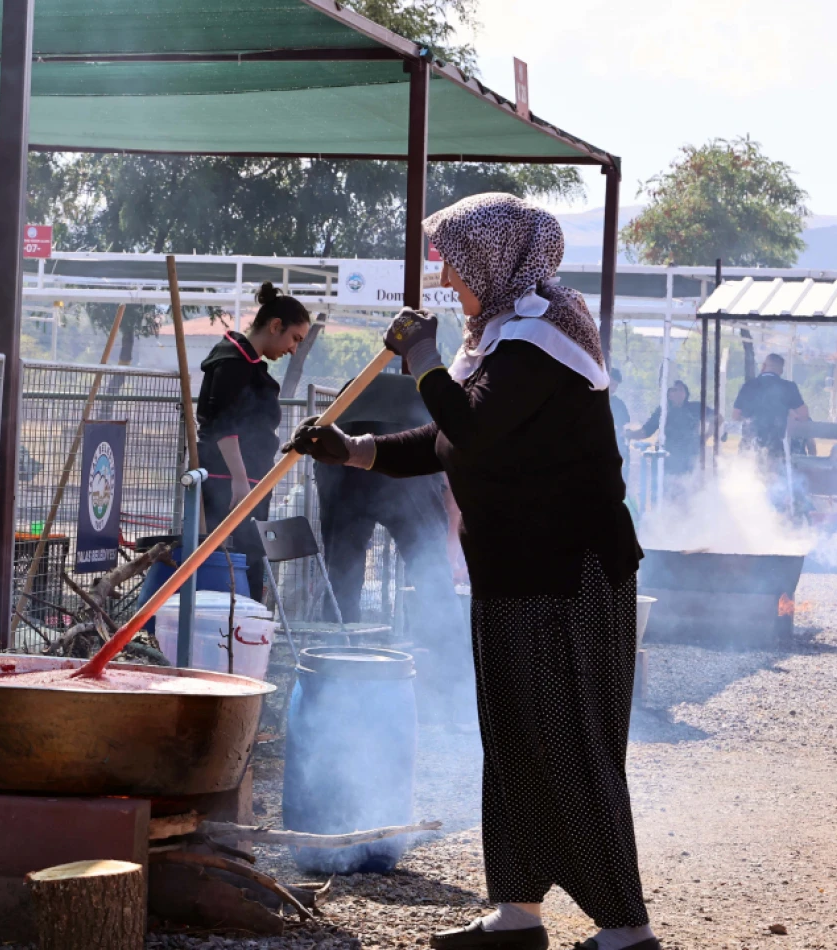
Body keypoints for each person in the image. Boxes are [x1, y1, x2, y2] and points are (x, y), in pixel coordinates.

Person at [289, 194, 655, 950]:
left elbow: (473, 428)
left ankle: (625, 927)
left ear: (493, 258)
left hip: (567, 578)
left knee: (574, 746)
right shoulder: (501, 344)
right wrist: (355, 449)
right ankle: (518, 913)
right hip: (513, 577)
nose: (446, 278)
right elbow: (446, 440)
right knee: (516, 743)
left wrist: (420, 357)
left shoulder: (544, 341)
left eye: (454, 261)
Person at [312, 369, 472, 723]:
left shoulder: (419, 394)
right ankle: (453, 688)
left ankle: (334, 681)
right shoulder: (448, 400)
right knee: (432, 578)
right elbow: (452, 482)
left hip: (342, 455)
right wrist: (446, 545)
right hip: (401, 456)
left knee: (342, 573)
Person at [196, 281, 311, 599]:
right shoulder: (232, 361)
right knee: (236, 559)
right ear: (276, 326)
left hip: (248, 480)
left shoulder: (246, 363)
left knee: (250, 558)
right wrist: (238, 480)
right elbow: (223, 424)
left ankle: (246, 630)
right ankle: (235, 631)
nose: (293, 349)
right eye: (294, 338)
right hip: (228, 480)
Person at [628, 380, 707, 492]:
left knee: (691, 491)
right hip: (669, 460)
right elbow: (646, 432)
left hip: (691, 458)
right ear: (669, 395)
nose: (678, 393)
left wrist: (706, 436)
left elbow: (718, 419)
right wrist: (629, 434)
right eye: (674, 390)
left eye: (681, 390)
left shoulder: (695, 408)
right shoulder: (663, 411)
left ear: (686, 393)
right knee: (669, 491)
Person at [732, 354, 808, 466]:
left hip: (749, 443)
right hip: (776, 445)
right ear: (781, 370)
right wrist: (788, 413)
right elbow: (803, 416)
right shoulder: (789, 387)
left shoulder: (748, 386)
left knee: (747, 476)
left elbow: (735, 415)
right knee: (774, 479)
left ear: (763, 366)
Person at [608, 368, 630, 479]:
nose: (612, 388)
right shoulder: (592, 400)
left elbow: (624, 428)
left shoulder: (619, 404)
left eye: (615, 385)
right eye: (611, 383)